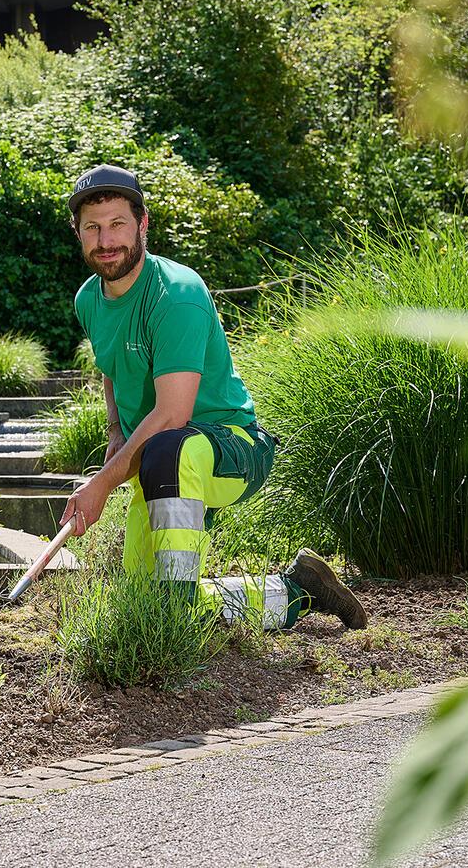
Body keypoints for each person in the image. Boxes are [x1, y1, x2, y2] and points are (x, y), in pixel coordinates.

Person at [60, 164, 366, 631]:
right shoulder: (89, 298)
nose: (106, 241)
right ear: (78, 233)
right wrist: (116, 430)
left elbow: (172, 415)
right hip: (161, 457)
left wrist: (100, 483)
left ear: (143, 224)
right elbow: (111, 364)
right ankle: (297, 590)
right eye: (93, 228)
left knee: (169, 447)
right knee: (149, 605)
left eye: (118, 224)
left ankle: (178, 608)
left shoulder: (176, 294)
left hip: (230, 446)